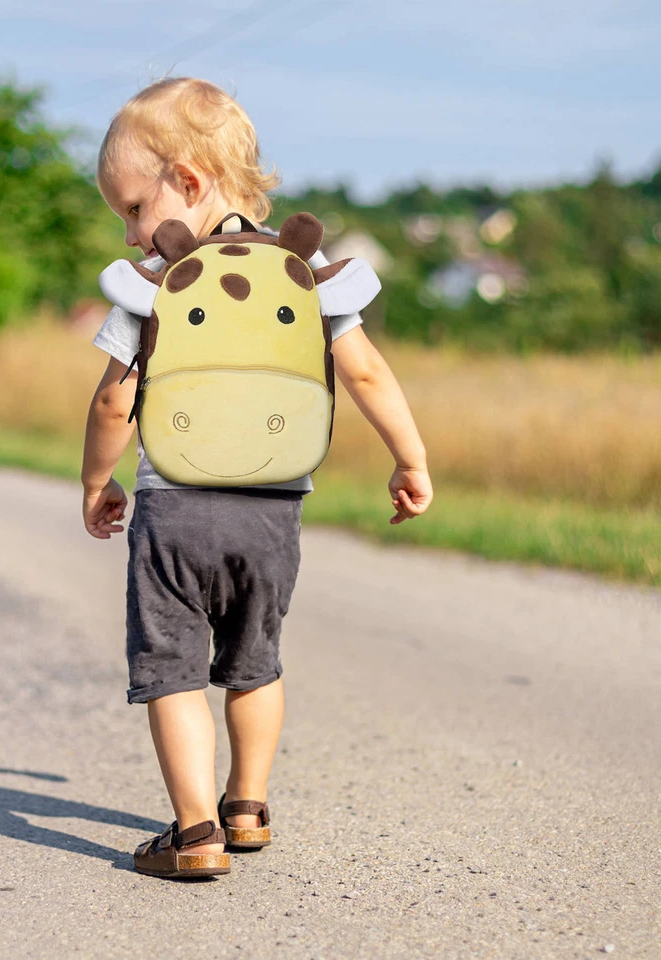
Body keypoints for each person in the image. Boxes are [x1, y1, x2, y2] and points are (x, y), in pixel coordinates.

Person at [81, 77, 433, 879]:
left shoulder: (154, 285)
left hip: (173, 513)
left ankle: (196, 832)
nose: (134, 234)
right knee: (254, 663)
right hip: (272, 519)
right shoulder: (303, 273)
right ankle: (248, 806)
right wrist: (409, 458)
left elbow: (114, 399)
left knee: (172, 673)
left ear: (190, 182)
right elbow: (367, 374)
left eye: (135, 208)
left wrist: (96, 482)